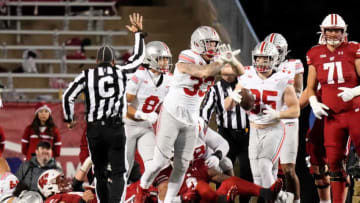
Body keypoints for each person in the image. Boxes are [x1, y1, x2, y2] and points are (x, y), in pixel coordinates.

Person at [135, 26, 241, 203]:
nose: (213, 49)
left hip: (191, 119)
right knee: (160, 162)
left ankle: (168, 201)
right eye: (208, 44)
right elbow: (203, 72)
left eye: (215, 45)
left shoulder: (215, 60)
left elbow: (236, 73)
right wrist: (222, 61)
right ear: (197, 44)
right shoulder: (187, 56)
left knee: (182, 165)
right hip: (171, 114)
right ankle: (142, 188)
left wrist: (233, 61)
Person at [62, 13, 145, 203]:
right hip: (115, 127)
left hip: (95, 129)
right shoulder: (120, 72)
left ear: (97, 62)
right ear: (113, 62)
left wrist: (69, 119)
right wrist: (138, 34)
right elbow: (139, 58)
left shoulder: (87, 74)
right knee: (118, 173)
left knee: (99, 173)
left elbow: (68, 96)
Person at [224, 41, 299, 202]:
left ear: (274, 59)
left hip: (274, 129)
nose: (260, 62)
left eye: (265, 59)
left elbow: (295, 110)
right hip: (254, 130)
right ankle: (280, 198)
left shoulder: (282, 79)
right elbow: (227, 107)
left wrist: (278, 114)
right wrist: (232, 98)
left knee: (264, 165)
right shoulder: (248, 76)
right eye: (258, 58)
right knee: (258, 178)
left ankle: (282, 198)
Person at [154, 118, 283, 203]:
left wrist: (217, 156)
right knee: (203, 189)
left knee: (222, 171)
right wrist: (182, 199)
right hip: (184, 193)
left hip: (196, 171)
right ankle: (226, 199)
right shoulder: (163, 169)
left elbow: (221, 146)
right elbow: (162, 199)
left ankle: (264, 192)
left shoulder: (196, 125)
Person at [305, 13, 360, 203]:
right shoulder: (314, 53)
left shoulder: (354, 49)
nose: (333, 33)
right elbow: (310, 88)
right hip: (332, 116)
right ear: (323, 30)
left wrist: (354, 93)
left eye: (336, 29)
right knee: (335, 163)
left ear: (343, 31)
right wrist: (313, 102)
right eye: (329, 29)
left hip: (355, 112)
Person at [200, 64, 251, 202]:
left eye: (231, 66)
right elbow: (205, 113)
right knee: (222, 172)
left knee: (247, 173)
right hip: (225, 134)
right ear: (221, 71)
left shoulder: (246, 84)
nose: (229, 71)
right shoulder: (215, 90)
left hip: (247, 134)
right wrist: (201, 130)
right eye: (226, 66)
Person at [264, 33, 303, 203]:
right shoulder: (261, 68)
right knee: (267, 167)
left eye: (277, 50)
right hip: (269, 121)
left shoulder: (294, 65)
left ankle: (296, 201)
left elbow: (299, 93)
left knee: (288, 169)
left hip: (287, 121)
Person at [125, 40, 172, 179]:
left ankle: (144, 194)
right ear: (151, 58)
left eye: (166, 59)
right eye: (162, 59)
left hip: (146, 127)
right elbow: (123, 106)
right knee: (124, 168)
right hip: (128, 126)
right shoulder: (139, 75)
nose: (165, 62)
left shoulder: (169, 79)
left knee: (154, 165)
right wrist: (143, 115)